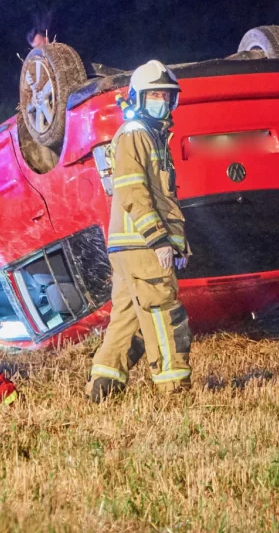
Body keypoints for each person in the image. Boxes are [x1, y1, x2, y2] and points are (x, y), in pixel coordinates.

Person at [86, 60, 192, 402]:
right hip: (141, 245)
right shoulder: (136, 136)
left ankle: (103, 384)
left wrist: (178, 245)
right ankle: (173, 386)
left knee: (127, 318)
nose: (161, 101)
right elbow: (134, 192)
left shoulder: (150, 137)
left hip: (129, 247)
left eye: (166, 95)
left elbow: (160, 197)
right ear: (138, 98)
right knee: (163, 311)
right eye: (154, 95)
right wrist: (159, 240)